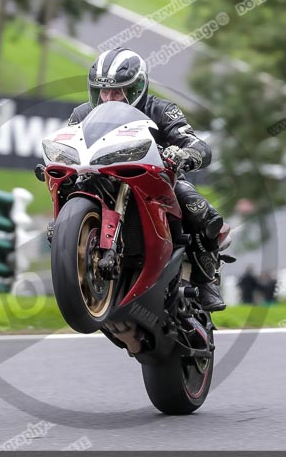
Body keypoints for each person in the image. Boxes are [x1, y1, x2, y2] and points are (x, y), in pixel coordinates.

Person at [67, 47, 226, 311]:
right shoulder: (81, 114)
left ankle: (206, 280)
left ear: (137, 87)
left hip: (158, 181)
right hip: (100, 179)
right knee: (68, 194)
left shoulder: (162, 109)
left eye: (117, 92)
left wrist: (184, 154)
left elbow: (198, 144)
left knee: (199, 209)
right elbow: (67, 142)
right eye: (102, 91)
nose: (108, 99)